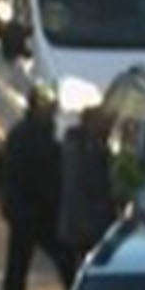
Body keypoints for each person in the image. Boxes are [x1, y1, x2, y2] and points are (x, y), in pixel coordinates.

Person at [0, 83, 76, 290]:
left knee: (20, 267)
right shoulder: (30, 136)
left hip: (27, 210)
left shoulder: (32, 133)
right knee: (59, 261)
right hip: (31, 210)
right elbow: (40, 175)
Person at [58, 95, 118, 263]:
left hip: (83, 225)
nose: (109, 127)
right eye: (105, 122)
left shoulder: (82, 146)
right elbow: (94, 185)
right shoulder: (85, 150)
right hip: (87, 226)